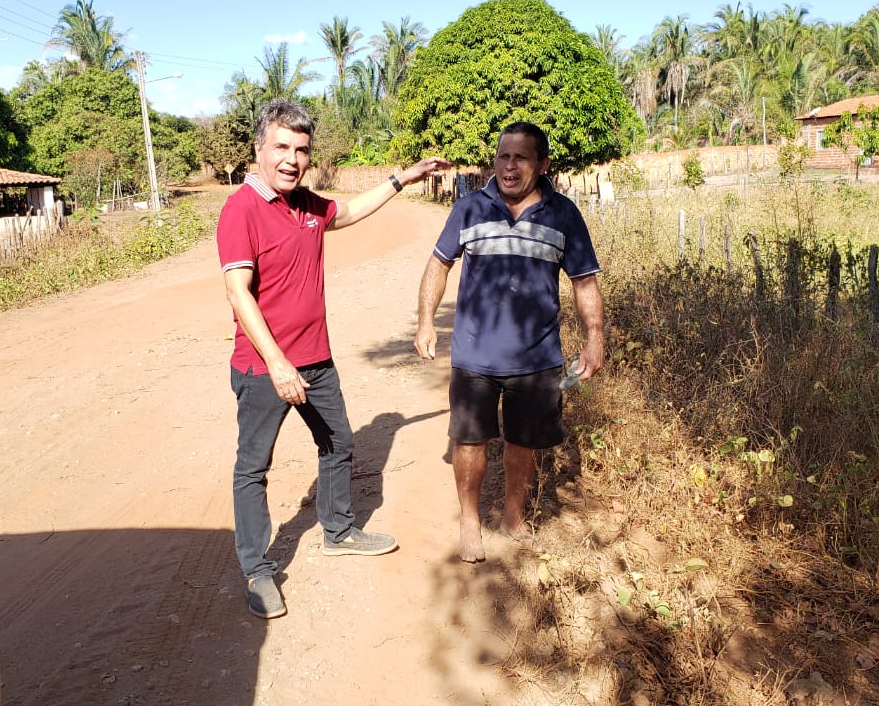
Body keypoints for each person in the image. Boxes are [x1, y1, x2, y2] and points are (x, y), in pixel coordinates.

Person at [218, 98, 451, 618]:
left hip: (316, 358)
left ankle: (338, 530)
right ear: (258, 149)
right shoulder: (242, 209)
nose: (291, 159)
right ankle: (257, 571)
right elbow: (239, 294)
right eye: (280, 147)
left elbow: (347, 211)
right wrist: (278, 363)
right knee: (253, 468)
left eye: (301, 150)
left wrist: (404, 179)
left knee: (338, 441)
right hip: (264, 366)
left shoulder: (305, 204)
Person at [415, 121, 605, 563]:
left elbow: (584, 282)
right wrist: (426, 321)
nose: (509, 165)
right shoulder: (470, 208)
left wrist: (595, 339)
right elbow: (438, 265)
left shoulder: (564, 215)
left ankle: (514, 517)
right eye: (503, 156)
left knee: (523, 442)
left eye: (521, 157)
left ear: (542, 164)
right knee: (469, 441)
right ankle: (470, 522)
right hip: (474, 354)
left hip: (537, 356)